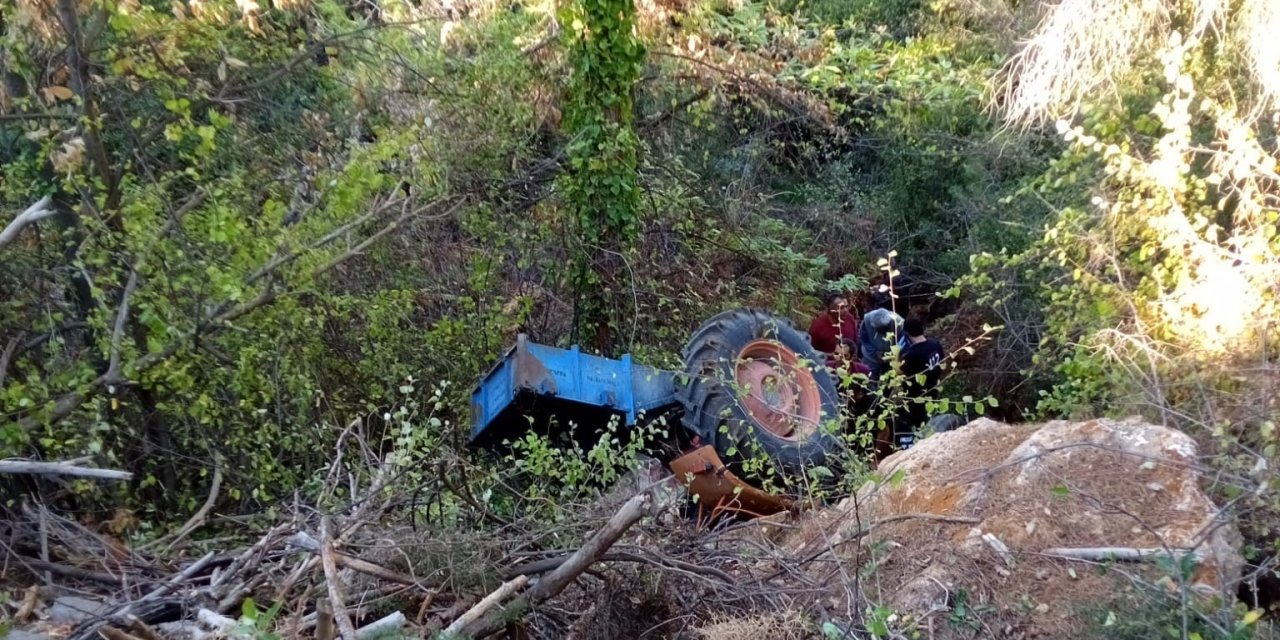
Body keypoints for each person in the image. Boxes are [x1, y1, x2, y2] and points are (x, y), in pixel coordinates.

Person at [898, 316, 945, 432]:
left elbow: (900, 373)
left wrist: (897, 354)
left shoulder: (911, 355)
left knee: (916, 425)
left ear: (907, 333)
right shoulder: (935, 345)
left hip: (916, 398)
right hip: (934, 389)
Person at [858, 307, 903, 379]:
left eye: (883, 329)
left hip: (892, 358)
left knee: (890, 381)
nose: (880, 332)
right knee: (868, 379)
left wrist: (892, 355)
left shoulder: (898, 323)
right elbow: (864, 339)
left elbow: (902, 342)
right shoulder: (867, 320)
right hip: (870, 357)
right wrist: (875, 353)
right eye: (877, 329)